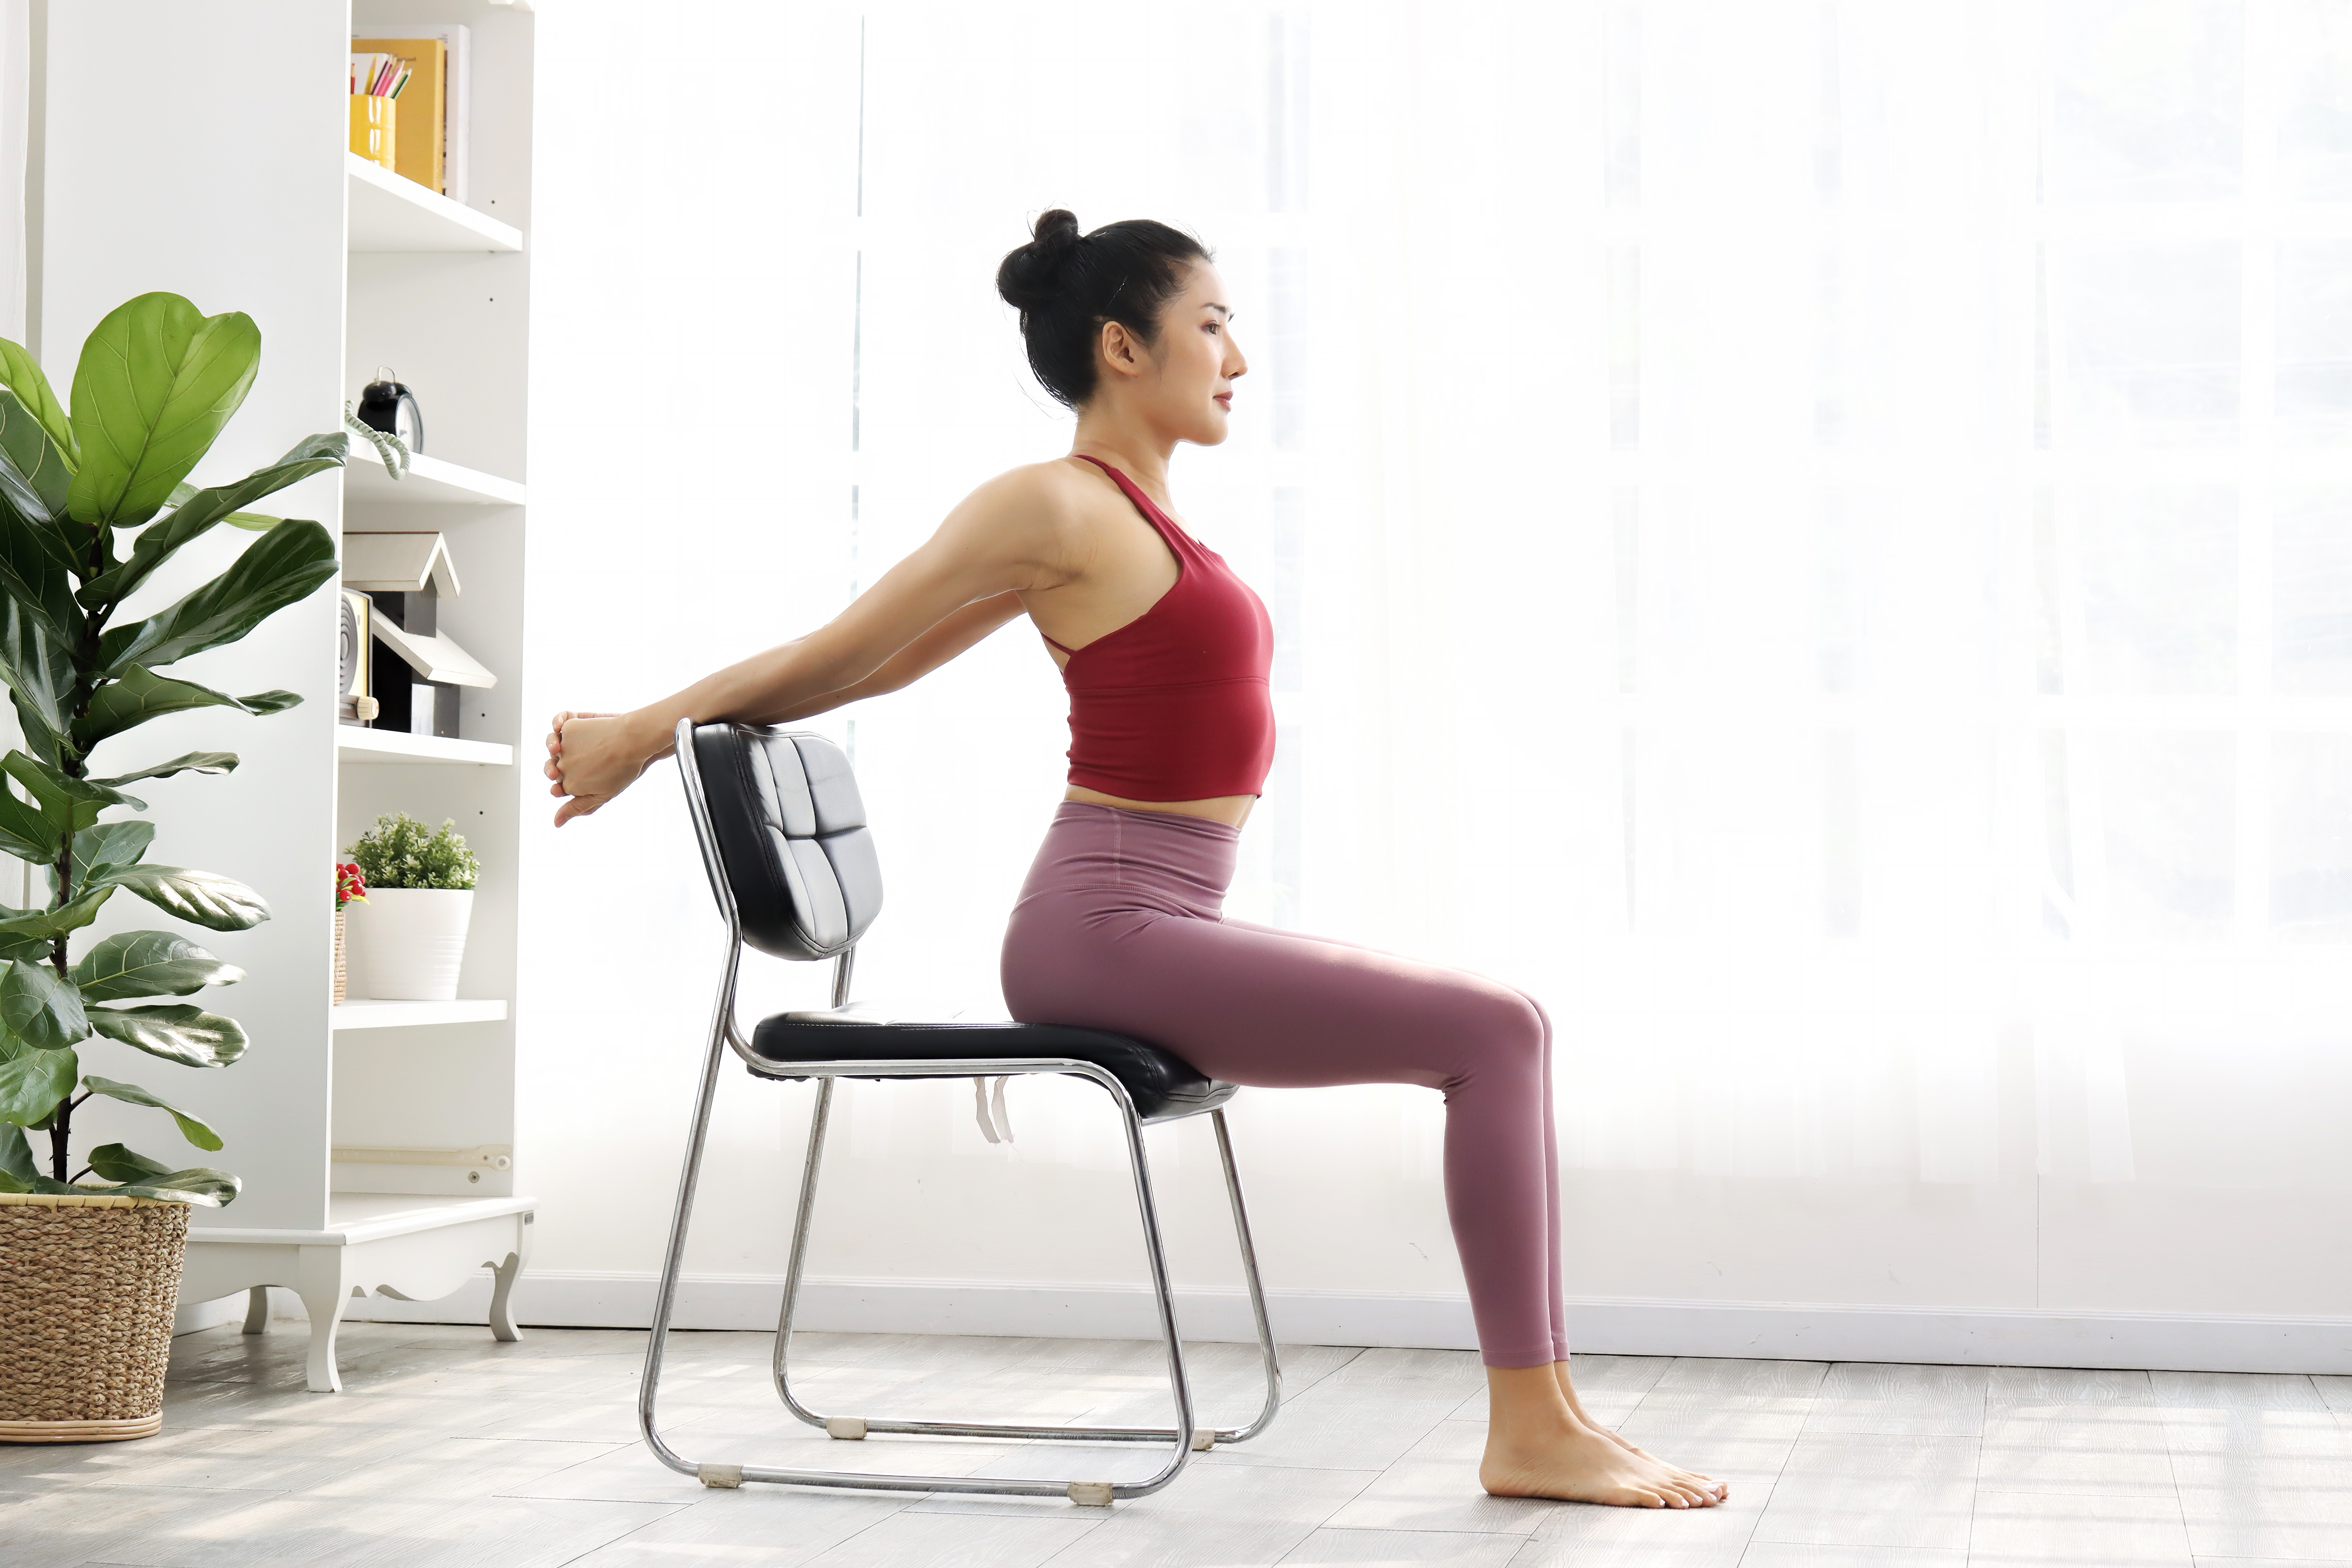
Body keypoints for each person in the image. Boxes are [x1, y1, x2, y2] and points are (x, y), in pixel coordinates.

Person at [545, 209, 1726, 1509]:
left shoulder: (1133, 519)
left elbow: (872, 669)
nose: (1237, 357)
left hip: (1156, 916)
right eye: (1211, 325)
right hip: (1102, 927)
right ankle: (1531, 1427)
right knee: (1495, 1030)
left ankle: (1554, 1415)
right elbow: (846, 654)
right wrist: (644, 732)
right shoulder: (1051, 502)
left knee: (1511, 1028)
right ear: (1122, 346)